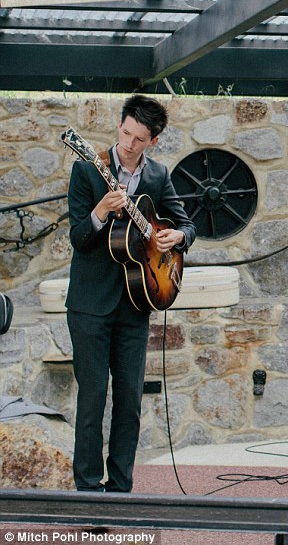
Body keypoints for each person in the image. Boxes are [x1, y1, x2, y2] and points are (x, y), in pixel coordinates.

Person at [66, 94, 195, 492]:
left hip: (137, 304)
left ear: (153, 141)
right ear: (119, 125)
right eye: (125, 133)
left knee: (129, 405)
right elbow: (78, 238)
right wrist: (100, 213)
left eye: (139, 138)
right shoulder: (87, 169)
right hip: (90, 305)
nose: (128, 144)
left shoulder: (157, 177)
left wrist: (177, 238)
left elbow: (186, 224)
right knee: (92, 400)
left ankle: (120, 491)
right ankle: (88, 492)